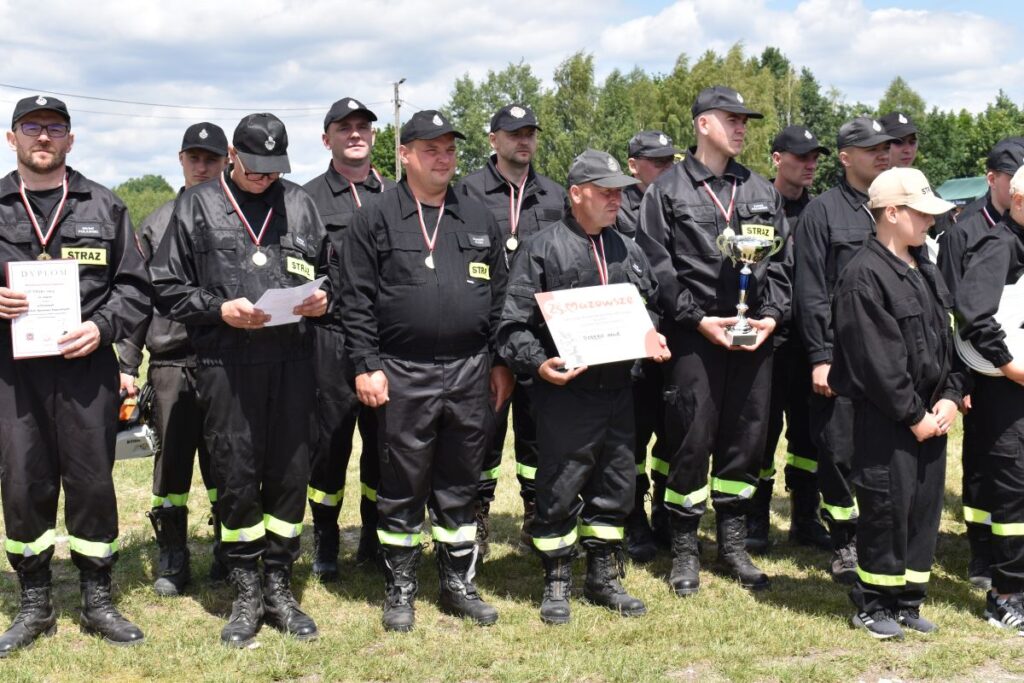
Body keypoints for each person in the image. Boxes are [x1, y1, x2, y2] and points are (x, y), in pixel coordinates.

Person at [151, 113, 328, 646]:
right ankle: (246, 588)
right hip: (226, 366)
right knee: (236, 473)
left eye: (275, 169)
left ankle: (279, 585)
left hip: (292, 363)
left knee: (289, 473)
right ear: (232, 155)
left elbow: (333, 273)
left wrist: (326, 299)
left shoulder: (300, 203)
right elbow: (166, 285)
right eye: (255, 168)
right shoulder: (196, 206)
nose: (265, 177)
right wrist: (218, 309)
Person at [341, 110, 512, 632]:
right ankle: (400, 588)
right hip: (403, 371)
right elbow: (356, 301)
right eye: (431, 150)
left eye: (449, 150)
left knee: (461, 481)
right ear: (405, 154)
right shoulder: (375, 217)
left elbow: (502, 297)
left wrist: (500, 361)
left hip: (469, 370)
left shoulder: (477, 216)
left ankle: (458, 583)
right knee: (402, 482)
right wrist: (367, 366)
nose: (443, 159)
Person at [0, 95, 150, 655]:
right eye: (31, 127)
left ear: (70, 139)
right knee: (22, 481)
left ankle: (97, 597)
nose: (43, 136)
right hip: (13, 375)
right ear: (12, 138)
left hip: (86, 368)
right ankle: (34, 601)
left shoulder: (104, 206)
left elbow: (135, 286)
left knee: (92, 481)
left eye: (55, 128)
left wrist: (104, 327)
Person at [498, 149, 668, 624]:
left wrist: (652, 335)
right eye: (605, 192)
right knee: (561, 484)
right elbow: (512, 326)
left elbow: (651, 306)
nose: (617, 200)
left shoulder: (628, 248)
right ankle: (556, 578)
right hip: (566, 394)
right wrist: (539, 364)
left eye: (620, 192)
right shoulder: (542, 248)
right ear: (576, 194)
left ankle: (602, 575)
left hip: (618, 391)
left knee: (616, 484)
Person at [638, 86, 790, 596]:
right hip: (694, 338)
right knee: (691, 438)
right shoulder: (667, 190)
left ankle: (732, 543)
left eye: (746, 120)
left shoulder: (760, 189)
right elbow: (656, 266)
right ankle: (685, 548)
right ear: (704, 123)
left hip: (752, 338)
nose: (742, 127)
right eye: (732, 119)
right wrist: (697, 319)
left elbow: (781, 264)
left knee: (746, 439)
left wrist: (771, 318)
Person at [830, 167, 962, 639]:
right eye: (920, 213)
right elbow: (877, 363)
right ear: (891, 212)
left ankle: (908, 600)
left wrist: (951, 395)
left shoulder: (923, 266)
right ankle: (874, 604)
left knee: (922, 512)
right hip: (887, 420)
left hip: (930, 415)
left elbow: (945, 339)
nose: (930, 221)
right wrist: (913, 415)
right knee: (887, 509)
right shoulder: (862, 276)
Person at [117, 122, 229, 597]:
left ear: (227, 161)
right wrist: (126, 364)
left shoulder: (239, 218)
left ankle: (229, 548)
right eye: (194, 158)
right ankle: (173, 554)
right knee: (172, 465)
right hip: (171, 362)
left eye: (211, 159)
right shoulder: (157, 222)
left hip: (229, 361)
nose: (202, 167)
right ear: (181, 160)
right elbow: (137, 297)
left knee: (227, 461)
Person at [455, 103, 566, 556]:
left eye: (530, 133)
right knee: (481, 434)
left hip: (540, 337)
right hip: (485, 337)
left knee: (539, 436)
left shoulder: (556, 195)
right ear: (493, 139)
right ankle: (476, 515)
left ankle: (536, 514)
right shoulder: (466, 192)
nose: (524, 141)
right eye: (514, 133)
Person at [794, 116, 896, 583]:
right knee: (838, 451)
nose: (883, 154)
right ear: (845, 157)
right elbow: (811, 290)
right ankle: (845, 538)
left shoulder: (896, 207)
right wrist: (820, 356)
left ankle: (881, 533)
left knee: (884, 449)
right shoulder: (822, 213)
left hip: (889, 355)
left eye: (886, 147)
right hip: (841, 355)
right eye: (872, 148)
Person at [303, 97, 396, 578]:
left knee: (384, 443)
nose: (355, 134)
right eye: (344, 128)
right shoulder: (306, 199)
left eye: (363, 126)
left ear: (374, 136)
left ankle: (374, 535)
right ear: (327, 140)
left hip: (387, 339)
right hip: (331, 337)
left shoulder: (398, 195)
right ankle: (325, 536)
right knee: (330, 443)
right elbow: (295, 263)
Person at [938, 137, 1024, 591]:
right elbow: (959, 310)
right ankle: (985, 558)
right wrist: (963, 379)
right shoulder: (971, 234)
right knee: (986, 465)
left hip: (1011, 367)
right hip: (985, 369)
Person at [747, 125, 831, 553]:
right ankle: (755, 519)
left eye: (815, 157)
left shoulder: (820, 211)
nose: (809, 164)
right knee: (762, 433)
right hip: (769, 340)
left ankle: (805, 517)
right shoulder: (755, 208)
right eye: (801, 157)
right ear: (777, 159)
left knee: (808, 435)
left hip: (810, 341)